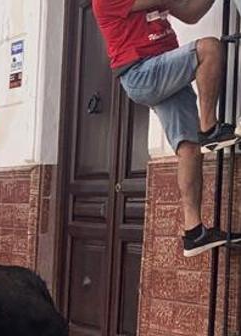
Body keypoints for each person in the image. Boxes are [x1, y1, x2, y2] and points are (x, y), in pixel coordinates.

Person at [93, 0, 234, 256]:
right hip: (141, 72)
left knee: (189, 149)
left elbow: (191, 14)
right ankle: (209, 129)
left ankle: (194, 232)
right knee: (209, 48)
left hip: (164, 68)